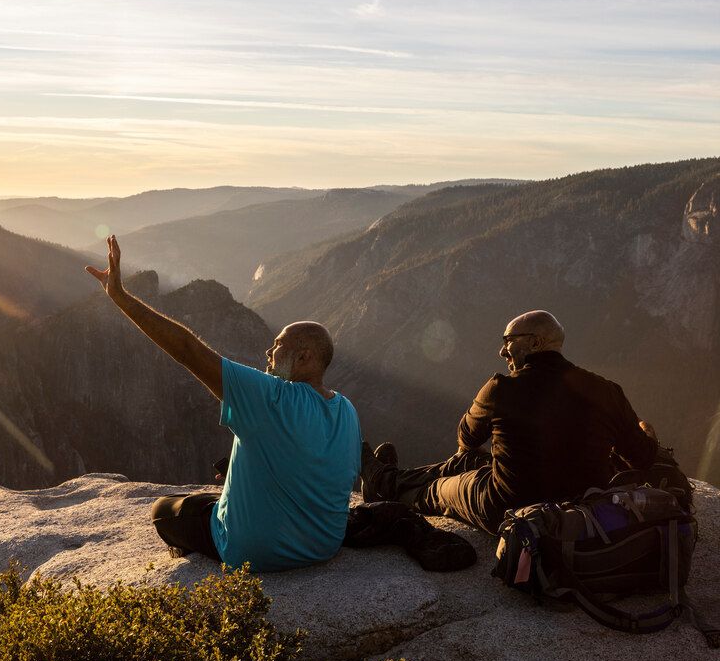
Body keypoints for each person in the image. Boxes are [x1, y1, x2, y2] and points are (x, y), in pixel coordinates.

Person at [86, 235, 361, 571]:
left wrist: (120, 297)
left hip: (252, 551)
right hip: (324, 546)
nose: (269, 353)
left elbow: (188, 351)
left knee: (164, 511)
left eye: (277, 346)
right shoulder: (346, 410)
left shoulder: (271, 397)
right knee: (210, 500)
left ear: (304, 357)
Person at [360, 310, 659, 534]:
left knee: (440, 489)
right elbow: (642, 456)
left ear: (535, 342)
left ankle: (388, 488)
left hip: (506, 507)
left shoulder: (502, 388)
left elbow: (466, 439)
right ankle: (387, 479)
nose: (502, 351)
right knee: (473, 462)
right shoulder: (606, 390)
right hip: (581, 508)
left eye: (508, 341)